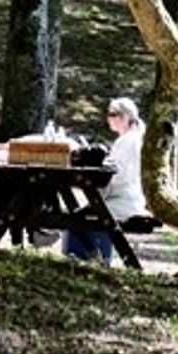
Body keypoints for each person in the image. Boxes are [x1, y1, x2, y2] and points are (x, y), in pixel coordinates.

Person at [63, 96, 145, 263]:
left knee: (82, 217)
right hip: (121, 197)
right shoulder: (127, 140)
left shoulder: (130, 142)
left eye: (112, 114)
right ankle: (92, 257)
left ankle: (87, 259)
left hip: (125, 200)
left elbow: (120, 177)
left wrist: (100, 179)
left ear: (124, 117)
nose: (108, 118)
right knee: (80, 215)